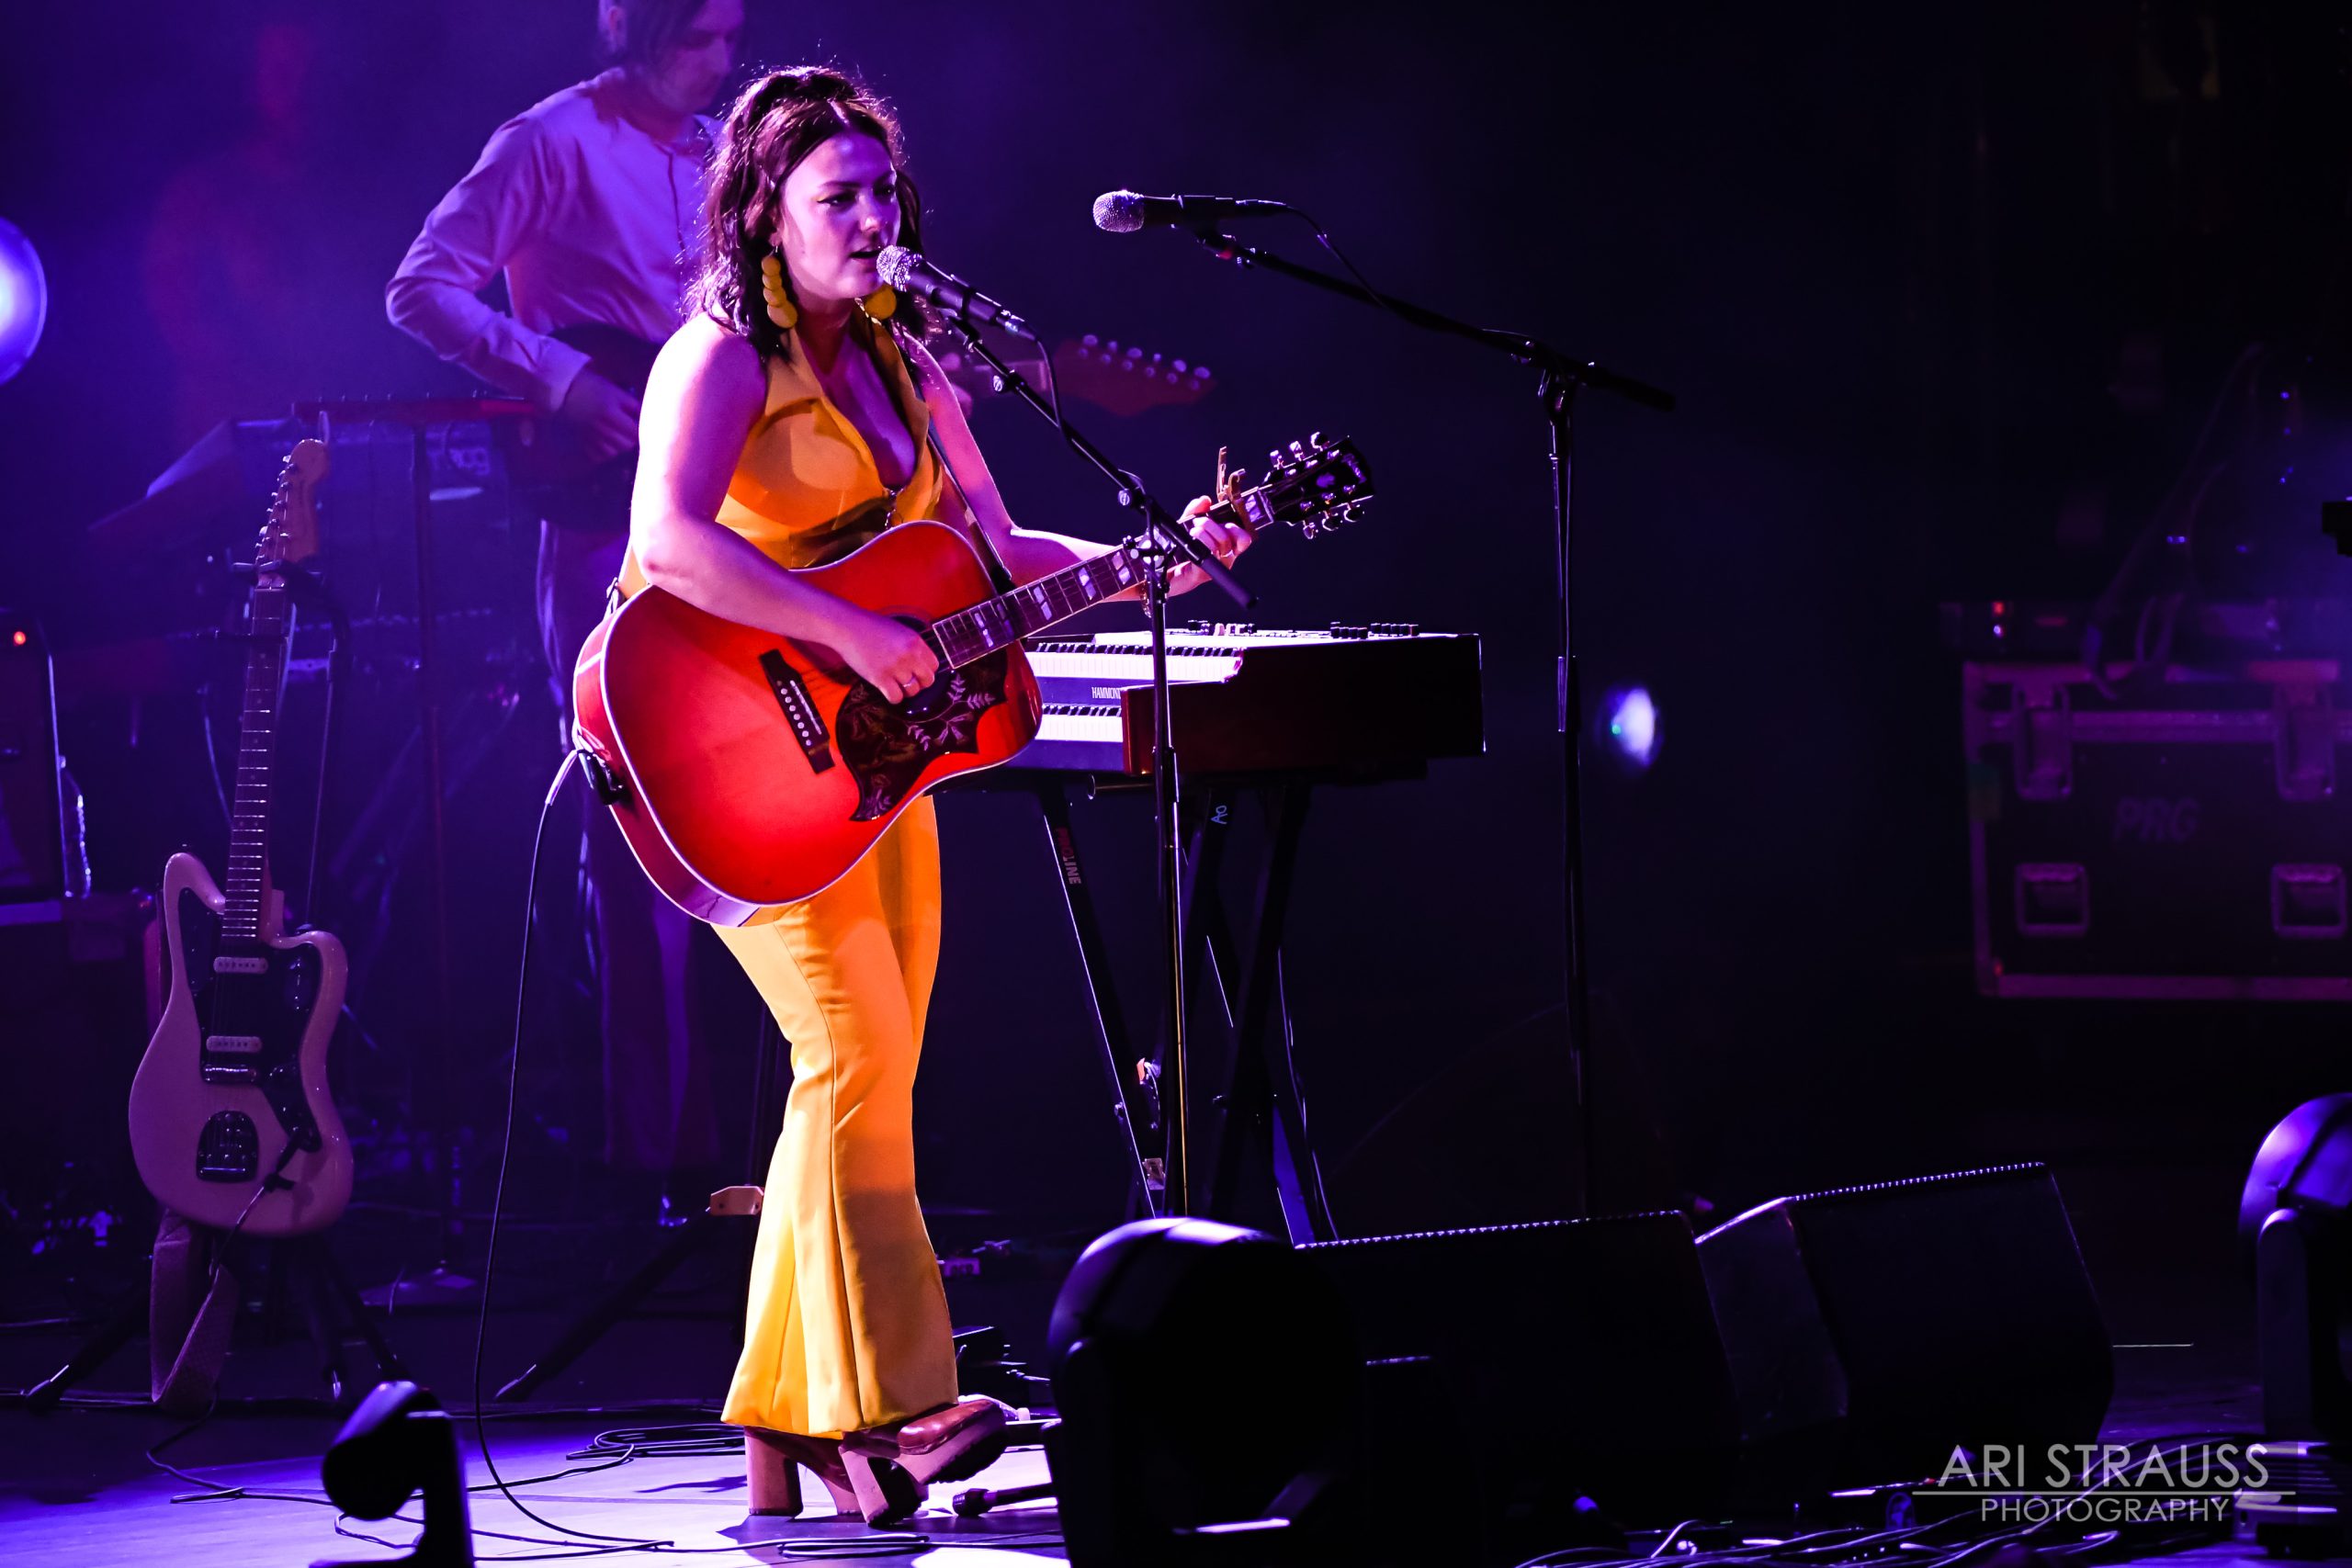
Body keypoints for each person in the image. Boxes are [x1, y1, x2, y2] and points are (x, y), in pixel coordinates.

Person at [624, 66, 1252, 1521]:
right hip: (719, 743)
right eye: (835, 197)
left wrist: (1159, 557)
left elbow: (992, 545)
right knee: (850, 1048)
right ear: (763, 217)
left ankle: (782, 1429)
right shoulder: (719, 355)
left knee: (867, 1070)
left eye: (882, 193)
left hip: (871, 764)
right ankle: (894, 1414)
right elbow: (665, 543)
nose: (868, 218)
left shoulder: (907, 357)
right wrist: (852, 633)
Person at [385, 0, 743, 1199]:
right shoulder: (546, 140)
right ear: (639, 31)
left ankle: (760, 1161)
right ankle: (658, 1169)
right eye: (704, 38)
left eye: (734, 36)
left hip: (734, 520)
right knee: (637, 833)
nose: (725, 61)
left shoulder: (723, 149)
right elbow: (422, 288)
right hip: (603, 525)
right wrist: (563, 379)